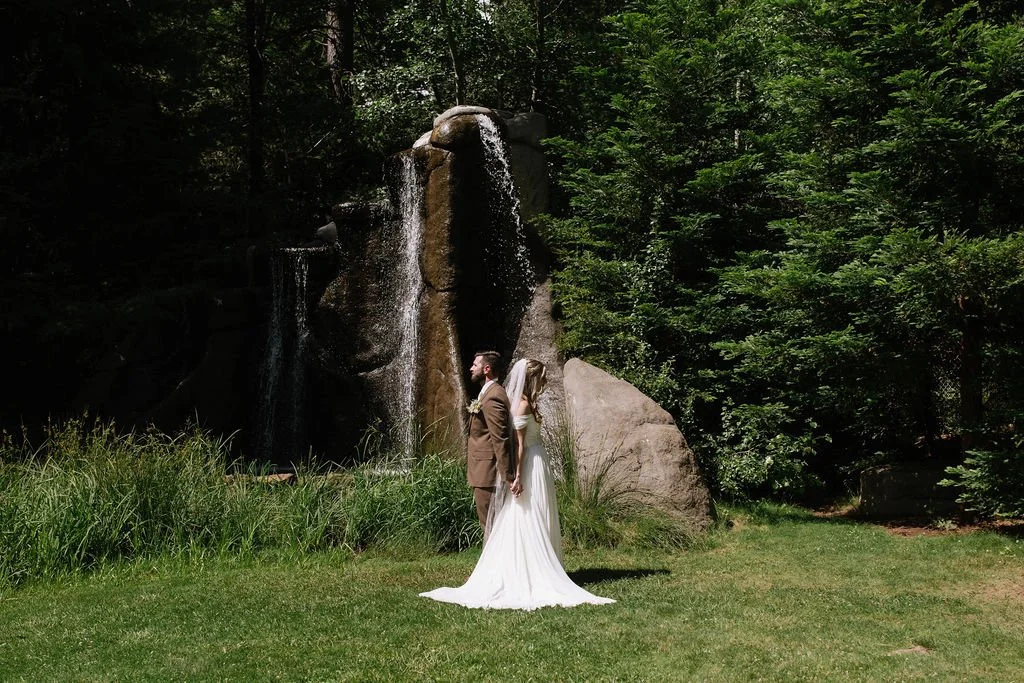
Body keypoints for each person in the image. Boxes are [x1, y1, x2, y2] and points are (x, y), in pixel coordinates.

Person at [420, 358, 615, 610]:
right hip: (529, 466)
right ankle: (528, 570)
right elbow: (518, 445)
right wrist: (516, 476)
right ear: (533, 379)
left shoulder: (528, 404)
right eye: (542, 378)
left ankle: (544, 565)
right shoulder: (521, 405)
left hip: (538, 464)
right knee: (526, 514)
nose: (544, 383)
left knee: (538, 513)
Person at [465, 350, 516, 530]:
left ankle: (495, 559)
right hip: (482, 469)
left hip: (488, 471)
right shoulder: (486, 393)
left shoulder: (493, 396)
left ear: (487, 369)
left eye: (475, 365)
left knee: (491, 526)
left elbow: (500, 437)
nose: (471, 368)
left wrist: (508, 475)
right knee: (489, 524)